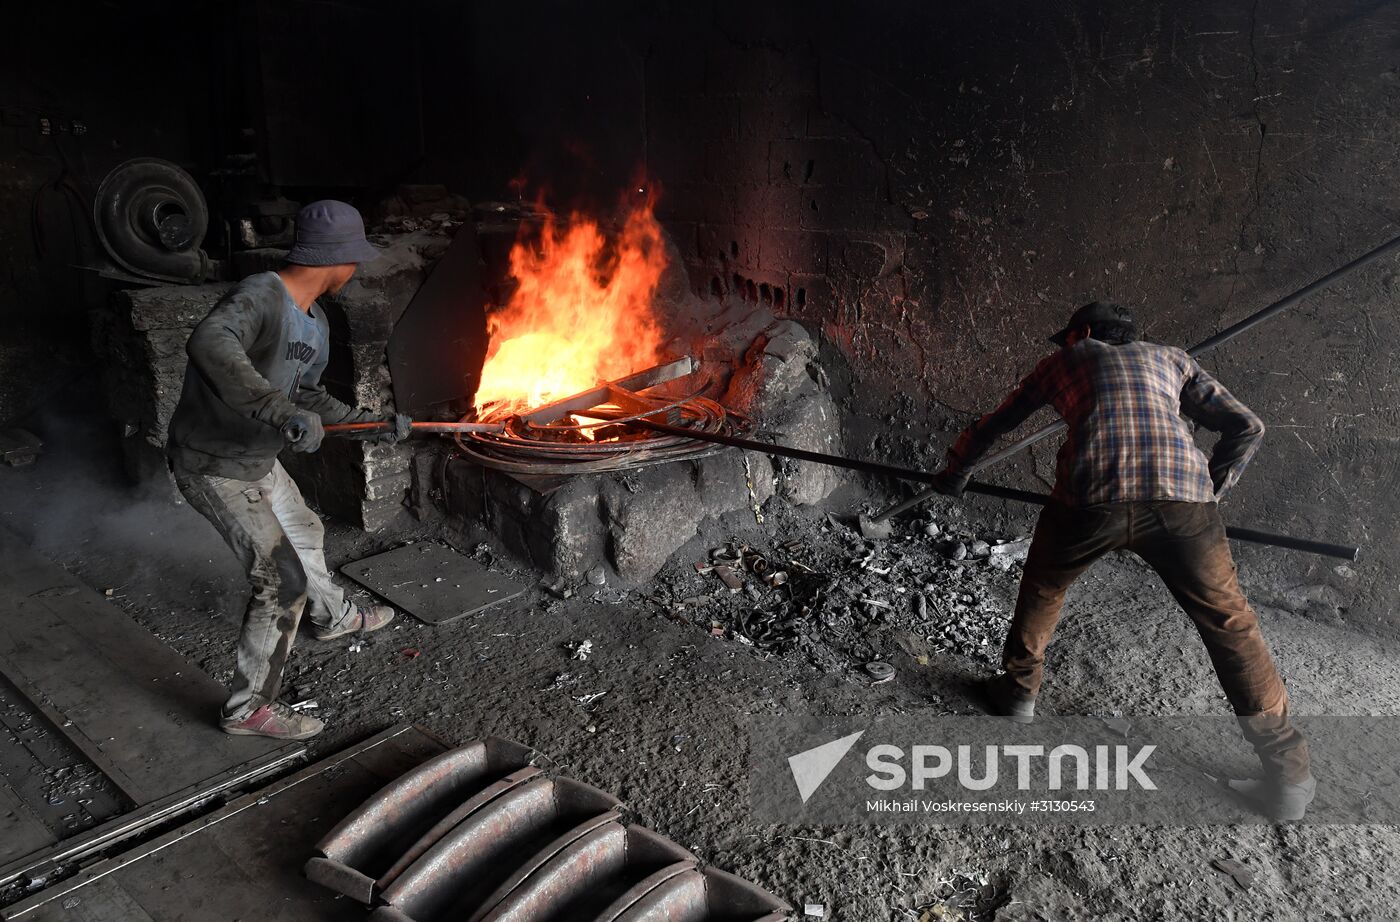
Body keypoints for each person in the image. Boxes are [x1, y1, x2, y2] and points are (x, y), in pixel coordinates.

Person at [930, 301, 1314, 820]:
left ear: (1082, 333)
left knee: (1045, 586)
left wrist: (955, 472)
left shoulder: (1066, 360)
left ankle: (1019, 694)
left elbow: (995, 424)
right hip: (1185, 509)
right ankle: (1289, 778)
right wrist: (1208, 491)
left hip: (1090, 499)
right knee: (1231, 624)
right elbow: (1247, 426)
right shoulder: (1173, 359)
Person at [167, 200, 410, 741]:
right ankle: (247, 710)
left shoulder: (317, 322)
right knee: (281, 582)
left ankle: (336, 617)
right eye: (356, 260)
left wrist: (371, 424)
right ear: (337, 259)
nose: (355, 271)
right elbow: (208, 341)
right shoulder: (261, 294)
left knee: (307, 531)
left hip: (258, 459)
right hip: (216, 465)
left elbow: (307, 395)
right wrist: (279, 412)